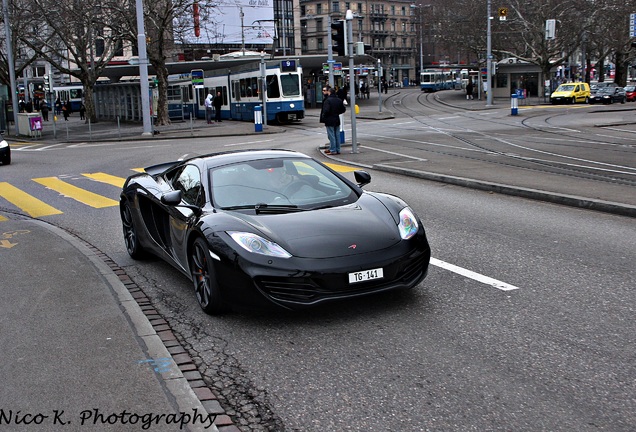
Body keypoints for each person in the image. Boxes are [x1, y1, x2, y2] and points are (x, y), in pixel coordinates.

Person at [320, 86, 346, 155]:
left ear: (329, 92)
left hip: (329, 119)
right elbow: (343, 109)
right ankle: (338, 149)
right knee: (337, 135)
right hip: (337, 119)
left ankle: (333, 150)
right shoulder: (339, 100)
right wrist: (337, 113)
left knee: (331, 135)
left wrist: (324, 116)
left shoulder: (328, 100)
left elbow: (326, 110)